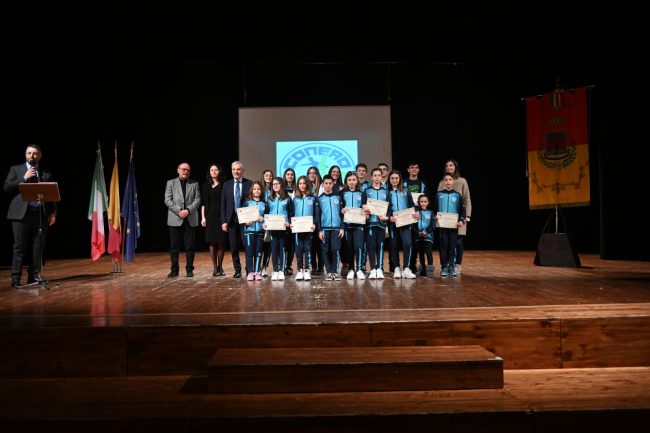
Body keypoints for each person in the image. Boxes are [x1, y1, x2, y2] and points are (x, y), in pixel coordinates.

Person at [4, 144, 57, 288]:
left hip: (40, 214)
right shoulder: (16, 169)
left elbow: (52, 195)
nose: (31, 156)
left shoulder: (45, 173)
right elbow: (7, 187)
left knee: (38, 247)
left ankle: (34, 276)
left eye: (34, 153)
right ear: (25, 155)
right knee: (19, 247)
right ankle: (15, 278)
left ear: (40, 156)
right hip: (21, 214)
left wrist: (53, 213)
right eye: (28, 153)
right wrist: (23, 177)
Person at [165, 162, 201, 277]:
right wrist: (179, 210)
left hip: (190, 218)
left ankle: (189, 270)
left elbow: (198, 200)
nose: (185, 171)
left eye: (188, 170)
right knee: (174, 247)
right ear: (178, 170)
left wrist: (188, 210)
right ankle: (174, 270)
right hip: (175, 218)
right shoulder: (170, 183)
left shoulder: (194, 183)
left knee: (190, 246)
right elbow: (167, 200)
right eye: (183, 169)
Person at [437, 159, 472, 275]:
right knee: (445, 243)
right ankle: (446, 265)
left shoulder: (462, 181)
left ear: (455, 167)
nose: (449, 167)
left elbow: (466, 199)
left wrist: (466, 216)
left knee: (458, 242)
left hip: (458, 218)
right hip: (445, 220)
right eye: (447, 166)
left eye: (451, 165)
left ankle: (456, 265)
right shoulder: (441, 182)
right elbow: (438, 201)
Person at [221, 161, 252, 278]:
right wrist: (224, 221)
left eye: (238, 169)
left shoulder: (249, 183)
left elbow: (252, 203)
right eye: (234, 169)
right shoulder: (226, 185)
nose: (236, 171)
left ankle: (249, 269)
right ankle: (237, 270)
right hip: (231, 220)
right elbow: (223, 204)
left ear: (242, 171)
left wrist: (251, 218)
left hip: (245, 220)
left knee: (247, 245)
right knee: (233, 247)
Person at [387, 170, 418, 279]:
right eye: (392, 178)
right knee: (394, 245)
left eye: (396, 178)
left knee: (408, 243)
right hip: (393, 223)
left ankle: (406, 268)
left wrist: (415, 213)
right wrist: (389, 217)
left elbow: (411, 205)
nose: (394, 180)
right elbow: (386, 208)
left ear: (400, 179)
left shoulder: (406, 191)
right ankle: (396, 268)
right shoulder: (387, 192)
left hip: (406, 222)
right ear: (389, 179)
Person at [434, 173, 466, 277]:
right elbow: (434, 208)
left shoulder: (457, 195)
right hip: (442, 226)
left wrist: (461, 220)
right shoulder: (438, 195)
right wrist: (435, 216)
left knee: (452, 246)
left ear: (453, 182)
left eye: (450, 179)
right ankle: (444, 266)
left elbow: (462, 210)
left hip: (453, 226)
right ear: (443, 182)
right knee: (443, 246)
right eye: (446, 180)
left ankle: (451, 266)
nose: (448, 181)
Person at [362, 167, 390, 279]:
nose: (377, 177)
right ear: (371, 177)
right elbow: (363, 204)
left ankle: (380, 268)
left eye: (379, 175)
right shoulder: (367, 191)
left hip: (381, 224)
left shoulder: (386, 191)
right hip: (370, 223)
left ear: (381, 177)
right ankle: (373, 268)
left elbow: (389, 207)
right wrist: (364, 207)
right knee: (371, 246)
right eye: (375, 175)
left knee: (381, 246)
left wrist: (387, 217)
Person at [265, 177, 293, 281]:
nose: (275, 186)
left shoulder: (287, 199)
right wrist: (265, 223)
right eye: (274, 184)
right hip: (273, 228)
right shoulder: (270, 199)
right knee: (274, 249)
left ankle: (281, 270)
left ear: (282, 185)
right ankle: (275, 270)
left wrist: (289, 222)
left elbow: (291, 213)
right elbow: (266, 213)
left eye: (277, 184)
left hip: (283, 229)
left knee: (282, 249)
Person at [291, 175, 318, 281]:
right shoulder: (295, 199)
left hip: (308, 228)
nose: (302, 185)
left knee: (308, 249)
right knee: (298, 250)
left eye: (304, 183)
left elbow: (316, 214)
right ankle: (299, 270)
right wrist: (291, 223)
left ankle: (306, 270)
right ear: (298, 185)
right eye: (300, 183)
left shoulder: (313, 198)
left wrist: (314, 223)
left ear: (307, 184)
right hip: (297, 229)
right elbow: (292, 213)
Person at [317, 175, 344, 280]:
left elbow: (342, 214)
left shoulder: (338, 197)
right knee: (325, 250)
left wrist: (342, 228)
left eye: (330, 183)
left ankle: (335, 271)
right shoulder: (320, 199)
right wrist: (320, 230)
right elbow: (318, 216)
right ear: (322, 185)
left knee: (335, 249)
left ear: (333, 184)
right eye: (326, 183)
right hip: (325, 228)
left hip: (336, 228)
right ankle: (328, 271)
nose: (328, 185)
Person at [201, 163, 226, 277]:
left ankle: (220, 266)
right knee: (211, 242)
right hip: (210, 216)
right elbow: (203, 203)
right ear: (209, 172)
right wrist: (203, 217)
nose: (214, 172)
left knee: (221, 241)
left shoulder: (224, 185)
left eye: (216, 170)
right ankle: (215, 267)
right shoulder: (206, 186)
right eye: (212, 170)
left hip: (221, 216)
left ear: (219, 172)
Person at [340, 171, 366, 280]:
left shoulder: (362, 193)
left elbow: (365, 207)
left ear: (357, 181)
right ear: (346, 181)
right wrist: (342, 210)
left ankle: (359, 269)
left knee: (358, 246)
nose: (351, 182)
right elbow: (339, 209)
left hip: (359, 225)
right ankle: (351, 269)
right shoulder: (342, 193)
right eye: (349, 180)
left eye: (354, 180)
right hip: (347, 225)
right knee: (349, 248)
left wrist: (366, 211)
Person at [241, 181, 268, 281]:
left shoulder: (264, 204)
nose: (257, 191)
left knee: (258, 252)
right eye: (255, 189)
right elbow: (242, 217)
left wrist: (263, 219)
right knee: (249, 253)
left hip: (260, 232)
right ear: (251, 190)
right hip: (249, 232)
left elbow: (267, 218)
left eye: (259, 189)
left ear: (261, 191)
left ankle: (257, 272)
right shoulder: (247, 203)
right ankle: (250, 272)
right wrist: (245, 222)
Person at [403, 161, 426, 272]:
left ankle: (414, 265)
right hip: (407, 215)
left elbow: (425, 200)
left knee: (417, 241)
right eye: (412, 167)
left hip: (418, 215)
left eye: (416, 167)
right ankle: (407, 265)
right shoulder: (403, 183)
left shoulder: (422, 184)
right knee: (408, 242)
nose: (414, 169)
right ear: (408, 170)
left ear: (418, 169)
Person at [415, 194, 435, 277]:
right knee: (421, 254)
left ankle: (430, 270)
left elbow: (433, 226)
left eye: (425, 202)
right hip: (418, 237)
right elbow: (413, 225)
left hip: (428, 237)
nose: (423, 203)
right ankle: (422, 270)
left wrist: (425, 232)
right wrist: (417, 233)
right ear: (418, 203)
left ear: (428, 202)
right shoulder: (415, 213)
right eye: (421, 202)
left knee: (428, 253)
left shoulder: (431, 213)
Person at [282, 168, 297, 275]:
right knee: (283, 244)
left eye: (292, 174)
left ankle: (289, 265)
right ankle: (282, 265)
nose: (290, 176)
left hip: (295, 219)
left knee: (291, 245)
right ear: (285, 176)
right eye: (288, 174)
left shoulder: (297, 188)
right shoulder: (281, 188)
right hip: (284, 220)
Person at [260, 169, 274, 277]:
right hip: (260, 220)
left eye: (270, 175)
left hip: (271, 221)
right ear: (263, 177)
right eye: (266, 175)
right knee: (260, 246)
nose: (268, 177)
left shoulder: (275, 189)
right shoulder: (260, 189)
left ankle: (265, 267)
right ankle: (257, 267)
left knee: (268, 246)